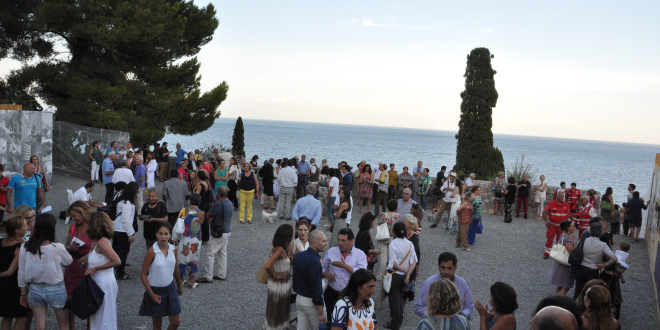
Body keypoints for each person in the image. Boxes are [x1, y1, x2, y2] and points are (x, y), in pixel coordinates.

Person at [18, 213, 73, 330]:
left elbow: (21, 272)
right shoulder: (57, 247)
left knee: (40, 326)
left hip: (34, 288)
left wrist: (23, 292)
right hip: (55, 288)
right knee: (63, 325)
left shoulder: (25, 246)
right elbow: (68, 261)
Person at [138, 222, 183, 330]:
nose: (163, 237)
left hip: (170, 287)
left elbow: (175, 269)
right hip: (155, 289)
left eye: (166, 234)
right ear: (156, 234)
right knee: (157, 323)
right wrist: (152, 294)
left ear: (170, 235)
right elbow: (143, 274)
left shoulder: (173, 249)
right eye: (160, 233)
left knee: (175, 322)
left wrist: (179, 286)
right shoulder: (151, 252)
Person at [82, 211, 121, 330]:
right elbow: (97, 256)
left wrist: (95, 268)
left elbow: (117, 261)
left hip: (103, 283)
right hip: (98, 282)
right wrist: (83, 259)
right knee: (98, 317)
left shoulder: (102, 242)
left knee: (104, 318)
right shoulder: (97, 241)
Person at [322, 228, 368, 318]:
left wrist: (345, 266)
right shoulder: (331, 252)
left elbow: (362, 275)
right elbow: (323, 268)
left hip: (350, 295)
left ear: (351, 241)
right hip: (332, 293)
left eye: (343, 241)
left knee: (349, 321)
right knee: (332, 320)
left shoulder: (360, 255)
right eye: (338, 240)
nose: (340, 243)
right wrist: (326, 274)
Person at [62, 202, 94, 330]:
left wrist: (88, 255)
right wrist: (70, 247)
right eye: (72, 216)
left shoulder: (94, 227)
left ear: (83, 213)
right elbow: (67, 244)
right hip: (72, 265)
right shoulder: (73, 227)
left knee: (87, 299)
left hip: (88, 266)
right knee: (70, 299)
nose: (73, 219)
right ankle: (71, 327)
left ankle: (90, 327)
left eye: (75, 216)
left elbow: (101, 248)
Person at [414, 252, 474, 320]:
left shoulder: (462, 283)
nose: (446, 272)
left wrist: (461, 316)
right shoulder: (429, 284)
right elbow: (418, 307)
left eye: (449, 268)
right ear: (438, 266)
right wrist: (435, 317)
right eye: (443, 268)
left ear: (455, 267)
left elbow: (469, 306)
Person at [382, 222, 418, 329]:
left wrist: (403, 269)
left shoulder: (393, 244)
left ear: (394, 232)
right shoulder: (410, 244)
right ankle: (399, 320)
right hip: (405, 277)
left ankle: (394, 324)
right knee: (400, 298)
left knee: (393, 300)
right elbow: (414, 261)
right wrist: (408, 274)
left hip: (395, 275)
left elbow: (393, 263)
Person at [293, 230, 328, 329]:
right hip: (311, 302)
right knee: (319, 328)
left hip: (299, 299)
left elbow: (295, 278)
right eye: (324, 241)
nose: (326, 243)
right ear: (314, 243)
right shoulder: (315, 261)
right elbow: (316, 286)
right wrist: (320, 311)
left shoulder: (298, 256)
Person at [573, 222, 617, 300]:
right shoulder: (603, 245)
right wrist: (604, 265)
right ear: (601, 232)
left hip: (580, 269)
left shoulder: (583, 240)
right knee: (591, 294)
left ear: (591, 231)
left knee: (578, 292)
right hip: (593, 270)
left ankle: (576, 309)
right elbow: (614, 259)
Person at [0, 214, 29, 330]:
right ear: (17, 230)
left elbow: (19, 240)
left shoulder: (2, 242)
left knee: (7, 317)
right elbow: (10, 272)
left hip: (2, 286)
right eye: (25, 226)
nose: (27, 227)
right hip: (14, 286)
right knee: (21, 316)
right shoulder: (18, 249)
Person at [199, 186, 233, 283]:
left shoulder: (218, 204)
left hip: (219, 232)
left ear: (218, 194)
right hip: (227, 231)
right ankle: (222, 274)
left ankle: (208, 276)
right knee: (223, 253)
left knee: (210, 253)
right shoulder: (230, 203)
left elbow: (208, 215)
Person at [263, 224, 294, 330]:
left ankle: (276, 326)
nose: (293, 236)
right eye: (291, 234)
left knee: (279, 307)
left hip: (282, 284)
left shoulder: (279, 248)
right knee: (277, 309)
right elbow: (267, 266)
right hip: (279, 284)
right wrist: (275, 275)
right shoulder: (279, 249)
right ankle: (274, 327)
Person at [172, 193, 204, 288]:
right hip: (196, 240)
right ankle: (191, 281)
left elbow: (178, 223)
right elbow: (201, 224)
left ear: (189, 201)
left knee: (182, 258)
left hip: (184, 238)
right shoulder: (202, 213)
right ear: (199, 202)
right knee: (194, 259)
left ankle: (181, 278)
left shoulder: (184, 211)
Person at [112, 181, 138, 280]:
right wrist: (130, 233)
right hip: (122, 230)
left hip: (116, 227)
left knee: (116, 249)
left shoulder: (120, 198)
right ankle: (120, 273)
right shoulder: (127, 202)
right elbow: (126, 219)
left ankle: (115, 266)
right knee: (123, 252)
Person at [598, 232, 624, 320]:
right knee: (613, 299)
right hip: (611, 277)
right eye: (613, 237)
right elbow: (614, 265)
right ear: (609, 240)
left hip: (607, 276)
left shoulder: (606, 249)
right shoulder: (608, 252)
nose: (614, 239)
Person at [550, 220, 577, 295]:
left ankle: (555, 300)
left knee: (560, 285)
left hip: (560, 263)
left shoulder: (562, 235)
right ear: (568, 228)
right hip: (565, 265)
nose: (574, 228)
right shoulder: (567, 239)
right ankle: (558, 302)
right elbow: (573, 251)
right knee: (565, 286)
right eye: (573, 227)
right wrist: (575, 241)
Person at [543, 191, 571, 259]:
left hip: (562, 227)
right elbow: (544, 211)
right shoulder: (551, 203)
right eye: (560, 196)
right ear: (557, 196)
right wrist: (546, 221)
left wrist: (568, 225)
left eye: (563, 196)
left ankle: (558, 253)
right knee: (550, 238)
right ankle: (547, 252)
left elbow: (569, 215)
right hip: (552, 225)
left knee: (560, 240)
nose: (561, 198)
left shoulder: (566, 205)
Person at [402, 214, 421, 311]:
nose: (402, 223)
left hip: (409, 267)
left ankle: (401, 310)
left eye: (404, 222)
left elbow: (415, 253)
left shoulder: (414, 237)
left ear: (410, 224)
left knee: (405, 291)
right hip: (400, 266)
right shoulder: (401, 233)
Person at [192, 170, 211, 241]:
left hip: (201, 204)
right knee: (206, 221)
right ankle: (206, 238)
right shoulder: (207, 183)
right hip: (207, 203)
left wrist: (194, 189)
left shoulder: (200, 185)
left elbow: (196, 196)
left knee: (199, 220)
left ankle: (199, 237)